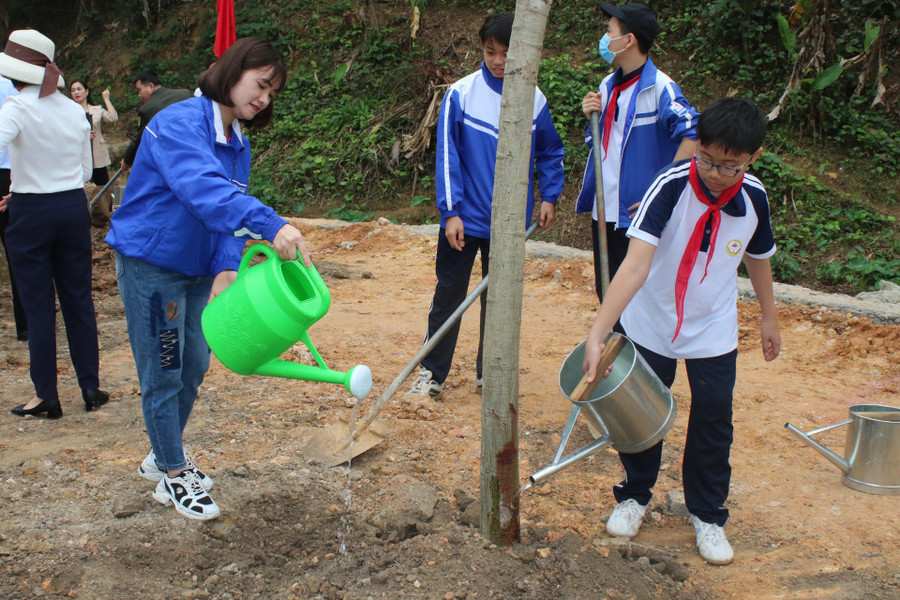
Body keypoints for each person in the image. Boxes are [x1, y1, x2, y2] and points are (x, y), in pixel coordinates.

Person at [106, 37, 311, 521]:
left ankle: (161, 456)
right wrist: (271, 223)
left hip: (197, 272)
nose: (263, 98)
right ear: (232, 72)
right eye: (259, 84)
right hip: (154, 267)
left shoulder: (238, 142)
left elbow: (226, 219)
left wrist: (224, 268)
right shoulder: (177, 124)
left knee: (195, 364)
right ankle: (174, 475)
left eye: (271, 93)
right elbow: (204, 191)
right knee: (165, 367)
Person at [582, 98, 781, 565]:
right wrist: (599, 333)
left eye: (730, 165)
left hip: (713, 327)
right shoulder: (669, 187)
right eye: (708, 159)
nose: (715, 172)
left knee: (714, 419)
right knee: (642, 413)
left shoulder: (754, 197)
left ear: (753, 157)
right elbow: (633, 266)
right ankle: (634, 495)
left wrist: (769, 316)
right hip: (652, 322)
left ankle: (708, 514)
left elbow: (758, 257)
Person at [404, 12, 565, 401]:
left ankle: (490, 374)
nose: (497, 61)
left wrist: (549, 196)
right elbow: (447, 157)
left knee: (499, 300)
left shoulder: (533, 98)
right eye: (490, 51)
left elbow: (550, 150)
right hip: (465, 220)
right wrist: (450, 212)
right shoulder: (462, 93)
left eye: (506, 53)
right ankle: (431, 373)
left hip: (509, 224)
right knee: (449, 296)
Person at [0, 29, 108, 418]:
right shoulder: (72, 109)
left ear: (15, 73)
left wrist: (25, 184)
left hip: (31, 212)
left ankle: (46, 393)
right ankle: (91, 387)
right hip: (71, 208)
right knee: (79, 297)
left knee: (39, 303)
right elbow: (83, 170)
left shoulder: (16, 106)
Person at [575, 2, 699, 301]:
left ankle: (636, 348)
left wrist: (661, 194)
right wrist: (592, 116)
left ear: (628, 40)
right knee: (608, 292)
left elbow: (692, 133)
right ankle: (613, 346)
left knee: (639, 296)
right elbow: (605, 146)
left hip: (638, 215)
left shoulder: (660, 88)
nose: (604, 39)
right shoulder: (607, 85)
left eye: (609, 32)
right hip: (605, 210)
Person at [0, 73, 27, 342]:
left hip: (9, 168)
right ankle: (26, 324)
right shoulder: (18, 82)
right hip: (13, 170)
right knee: (17, 250)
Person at [121, 71, 192, 168]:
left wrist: (127, 162)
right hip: (194, 148)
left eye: (139, 90)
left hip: (170, 156)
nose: (139, 95)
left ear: (150, 86)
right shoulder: (185, 94)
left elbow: (138, 139)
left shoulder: (148, 109)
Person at [70, 78, 118, 185]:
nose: (76, 92)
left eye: (79, 89)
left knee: (102, 187)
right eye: (73, 90)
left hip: (97, 155)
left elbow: (113, 117)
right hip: (78, 155)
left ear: (86, 91)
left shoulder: (97, 110)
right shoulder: (68, 112)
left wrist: (106, 100)